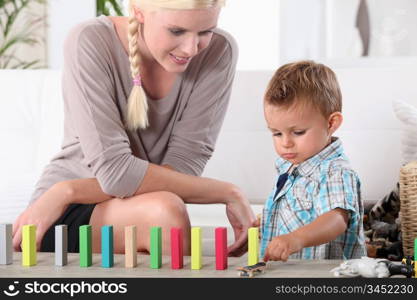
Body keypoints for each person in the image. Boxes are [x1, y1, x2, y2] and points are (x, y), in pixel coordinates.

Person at [12, 0, 256, 256]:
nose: (191, 49)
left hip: (81, 196)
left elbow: (184, 168)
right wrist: (227, 192)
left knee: (164, 209)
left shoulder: (219, 51)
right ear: (138, 11)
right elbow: (115, 172)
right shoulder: (89, 41)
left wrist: (67, 191)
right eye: (176, 31)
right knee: (164, 213)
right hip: (64, 212)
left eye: (206, 31)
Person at [261, 60, 367, 261]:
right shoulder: (292, 167)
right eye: (276, 133)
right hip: (290, 272)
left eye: (298, 132)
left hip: (323, 277)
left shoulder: (335, 171)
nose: (286, 143)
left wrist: (296, 239)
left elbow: (336, 219)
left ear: (331, 123)